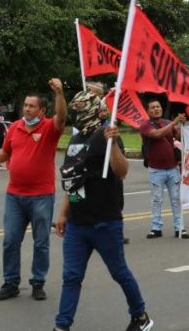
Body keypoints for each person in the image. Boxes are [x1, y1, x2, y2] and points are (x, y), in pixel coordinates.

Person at [53, 93, 153, 331]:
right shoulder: (76, 138)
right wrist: (64, 214)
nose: (77, 111)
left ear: (94, 108)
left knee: (119, 272)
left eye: (81, 107)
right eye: (75, 107)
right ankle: (61, 326)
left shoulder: (106, 133)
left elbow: (122, 171)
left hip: (104, 221)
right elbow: (73, 179)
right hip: (78, 223)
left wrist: (112, 144)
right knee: (71, 277)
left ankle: (140, 316)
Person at [0, 78, 67, 300]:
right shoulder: (15, 127)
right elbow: (5, 153)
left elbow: (62, 117)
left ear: (42, 110)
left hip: (41, 196)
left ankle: (38, 282)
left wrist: (60, 94)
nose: (27, 109)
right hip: (15, 195)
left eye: (32, 106)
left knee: (41, 242)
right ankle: (10, 283)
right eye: (25, 105)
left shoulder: (49, 128)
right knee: (10, 241)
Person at [140, 99, 188, 239]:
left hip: (173, 168)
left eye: (158, 106)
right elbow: (157, 135)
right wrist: (174, 122)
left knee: (176, 199)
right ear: (148, 111)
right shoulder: (145, 125)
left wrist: (181, 126)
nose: (156, 109)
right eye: (153, 107)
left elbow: (178, 136)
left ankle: (180, 228)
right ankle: (156, 228)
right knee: (157, 199)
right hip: (156, 170)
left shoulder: (167, 123)